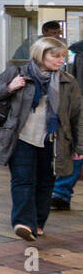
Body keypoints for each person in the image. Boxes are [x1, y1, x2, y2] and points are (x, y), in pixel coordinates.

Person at [0, 37, 83, 241]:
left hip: (53, 140)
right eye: (55, 56)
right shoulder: (16, 73)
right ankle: (23, 223)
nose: (60, 60)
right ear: (41, 55)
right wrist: (11, 87)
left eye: (63, 56)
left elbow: (77, 116)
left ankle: (38, 223)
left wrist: (79, 145)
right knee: (22, 180)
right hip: (20, 137)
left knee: (45, 183)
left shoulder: (68, 81)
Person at [51, 35, 83, 210]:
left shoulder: (78, 51)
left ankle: (61, 193)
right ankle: (60, 193)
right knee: (77, 151)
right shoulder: (79, 51)